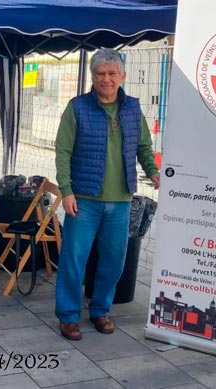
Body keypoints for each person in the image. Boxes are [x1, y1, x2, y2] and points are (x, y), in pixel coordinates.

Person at [54, 49, 160, 341]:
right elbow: (63, 151)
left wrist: (152, 171)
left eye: (112, 73)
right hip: (84, 200)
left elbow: (143, 147)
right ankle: (68, 316)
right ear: (92, 77)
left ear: (122, 76)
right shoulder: (78, 108)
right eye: (100, 73)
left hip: (121, 200)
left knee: (115, 261)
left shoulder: (132, 109)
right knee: (74, 258)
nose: (106, 79)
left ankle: (100, 310)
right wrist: (66, 190)